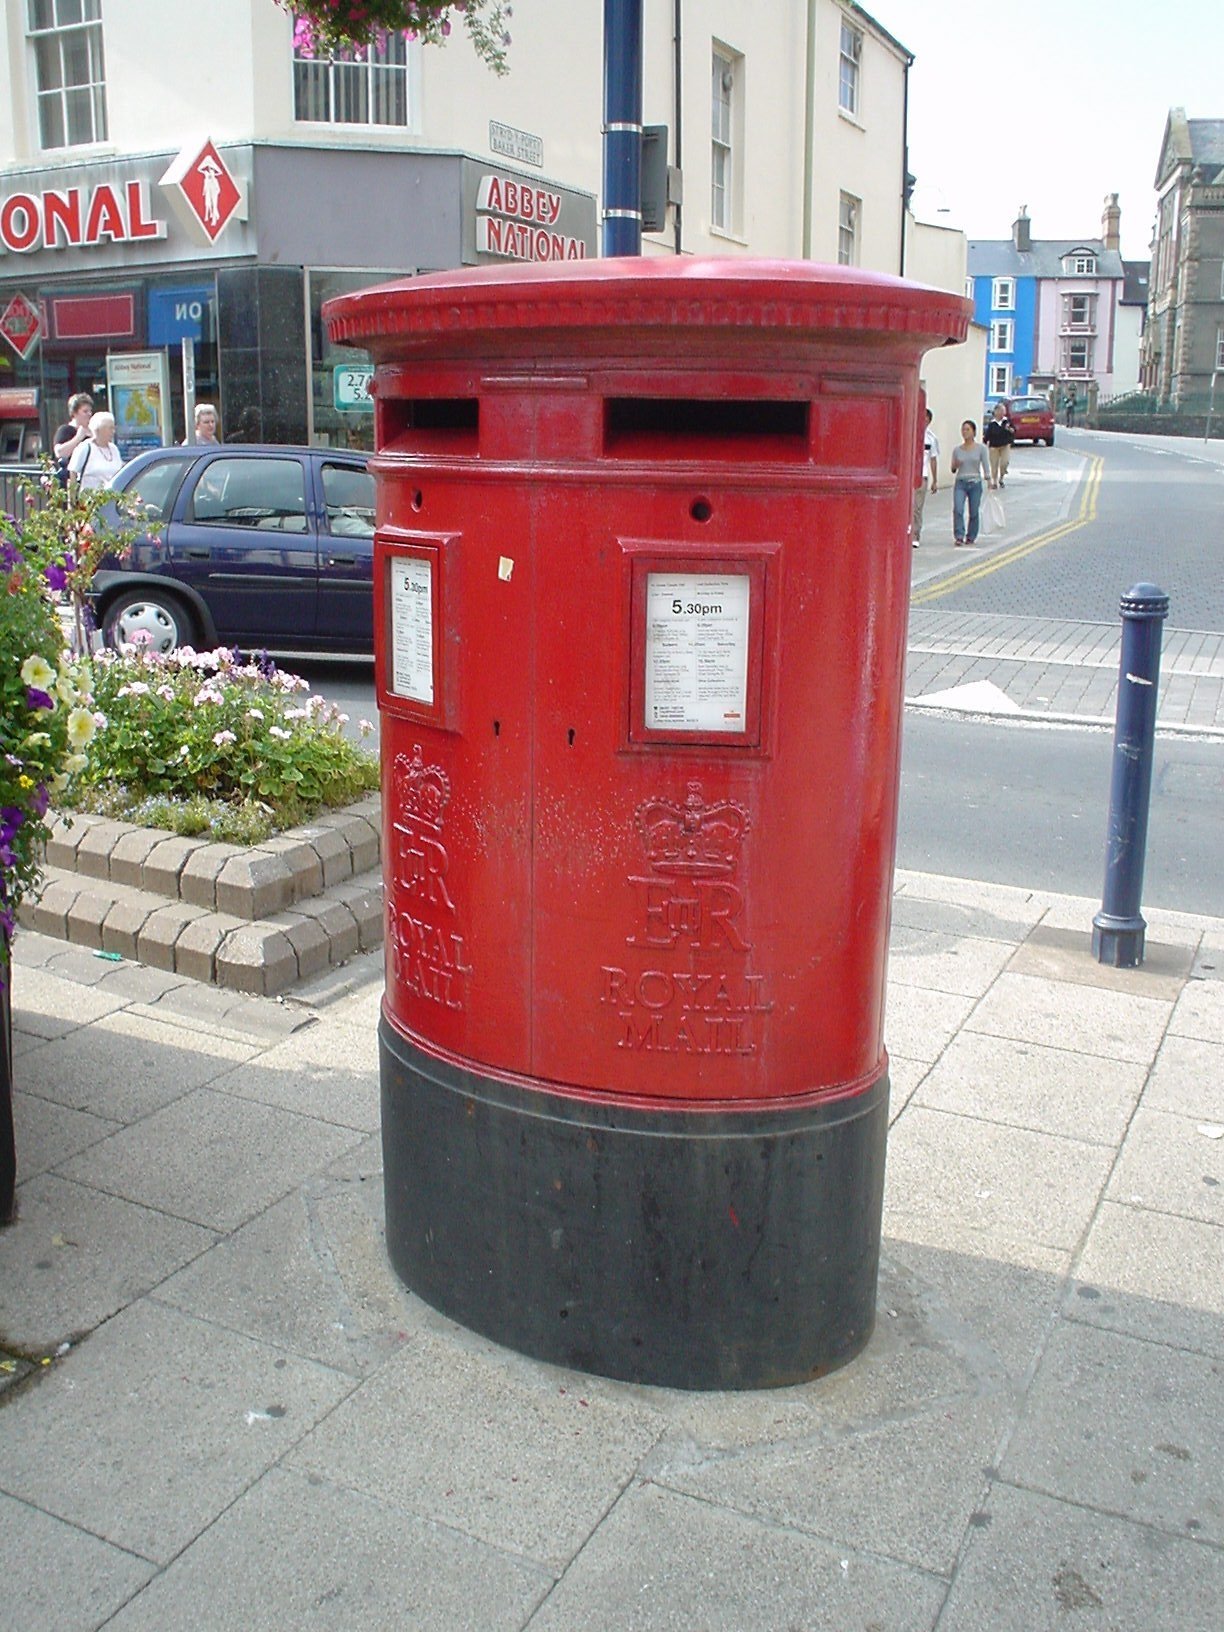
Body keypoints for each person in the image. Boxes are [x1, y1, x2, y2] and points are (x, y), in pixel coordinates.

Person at [950, 419, 990, 546]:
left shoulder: (981, 449)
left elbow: (985, 465)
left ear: (974, 432)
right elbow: (953, 469)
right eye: (963, 429)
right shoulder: (957, 450)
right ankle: (959, 535)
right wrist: (956, 464)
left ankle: (971, 536)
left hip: (975, 482)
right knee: (958, 509)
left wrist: (989, 480)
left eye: (967, 429)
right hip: (961, 482)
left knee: (974, 512)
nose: (965, 432)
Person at [67, 410, 125, 491]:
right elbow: (73, 473)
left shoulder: (114, 449)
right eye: (110, 428)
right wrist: (72, 501)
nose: (113, 431)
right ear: (99, 429)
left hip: (112, 499)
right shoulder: (85, 447)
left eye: (113, 428)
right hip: (91, 499)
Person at [52, 393, 93, 485]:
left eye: (90, 411)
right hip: (70, 481)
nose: (89, 414)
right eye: (85, 411)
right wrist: (78, 437)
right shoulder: (65, 430)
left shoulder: (93, 432)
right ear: (74, 413)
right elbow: (59, 452)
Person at [912, 407, 939, 547]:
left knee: (917, 507)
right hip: (909, 475)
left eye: (926, 419)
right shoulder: (910, 434)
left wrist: (935, 480)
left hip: (922, 475)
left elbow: (933, 459)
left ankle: (915, 535)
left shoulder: (931, 438)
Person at [983, 402, 1015, 489]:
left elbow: (1013, 431)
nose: (1002, 413)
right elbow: (987, 435)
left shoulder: (1007, 422)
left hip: (1005, 445)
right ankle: (994, 482)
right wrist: (986, 442)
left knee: (1004, 462)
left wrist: (1010, 430)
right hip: (994, 446)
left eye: (1004, 411)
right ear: (996, 412)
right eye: (1001, 411)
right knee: (994, 465)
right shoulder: (992, 424)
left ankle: (1001, 478)